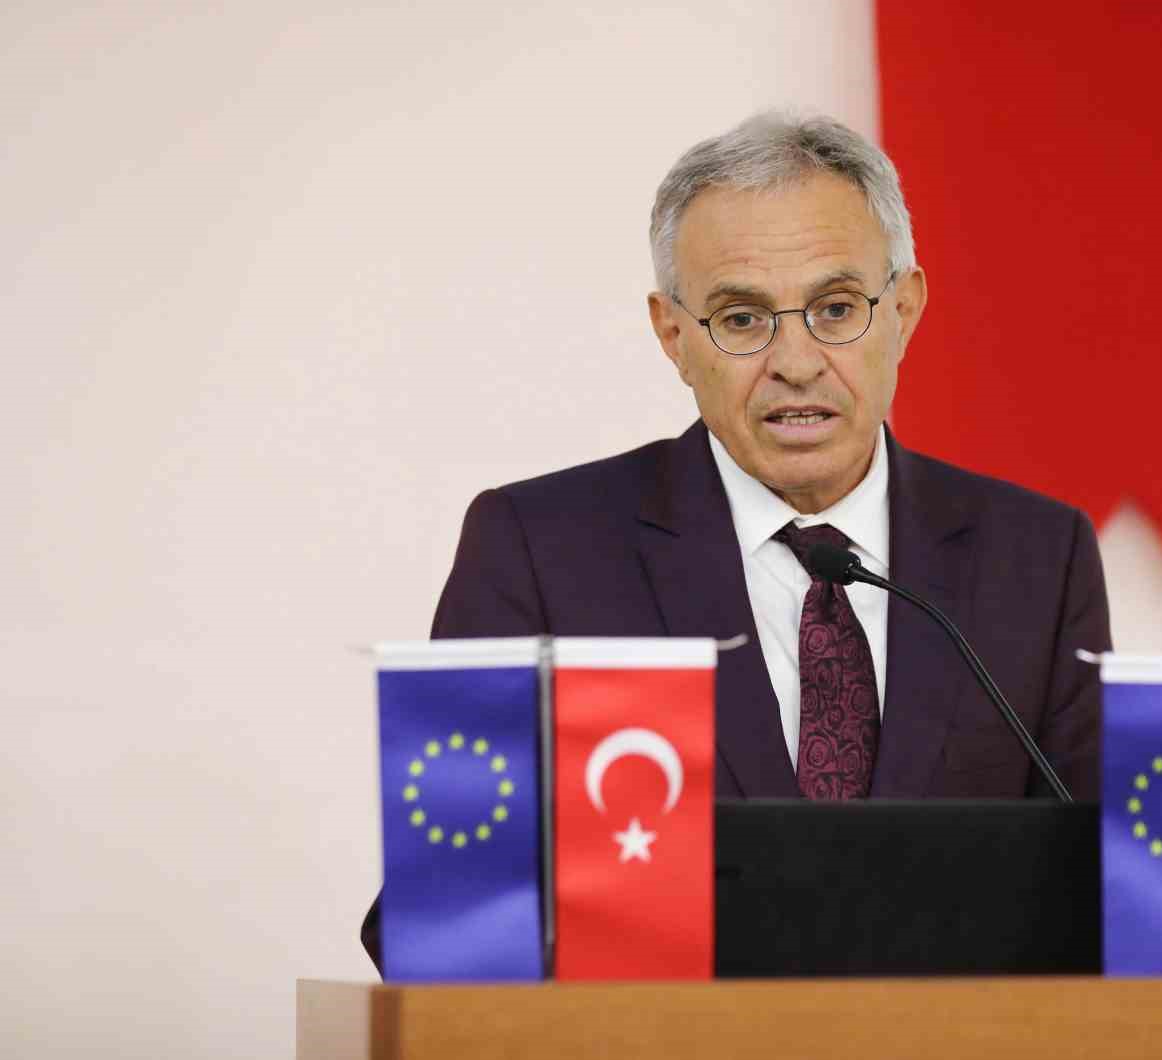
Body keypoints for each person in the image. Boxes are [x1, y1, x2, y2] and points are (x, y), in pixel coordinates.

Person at [362, 112, 1110, 968]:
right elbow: (436, 914)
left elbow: (1106, 896)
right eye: (744, 319)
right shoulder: (540, 551)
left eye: (837, 309)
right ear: (674, 337)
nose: (796, 362)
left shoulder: (1037, 558)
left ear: (904, 310)